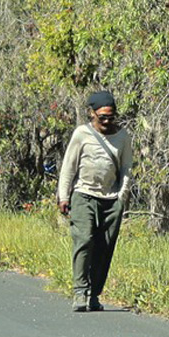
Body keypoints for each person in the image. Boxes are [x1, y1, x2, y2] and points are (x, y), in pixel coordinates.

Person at [57, 90, 133, 311]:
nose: (108, 121)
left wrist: (122, 196)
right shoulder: (82, 134)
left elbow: (127, 167)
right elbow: (69, 167)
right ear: (92, 114)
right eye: (103, 117)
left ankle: (94, 295)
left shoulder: (123, 137)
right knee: (84, 240)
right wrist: (64, 196)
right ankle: (80, 291)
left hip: (111, 200)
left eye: (111, 116)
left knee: (104, 247)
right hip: (83, 195)